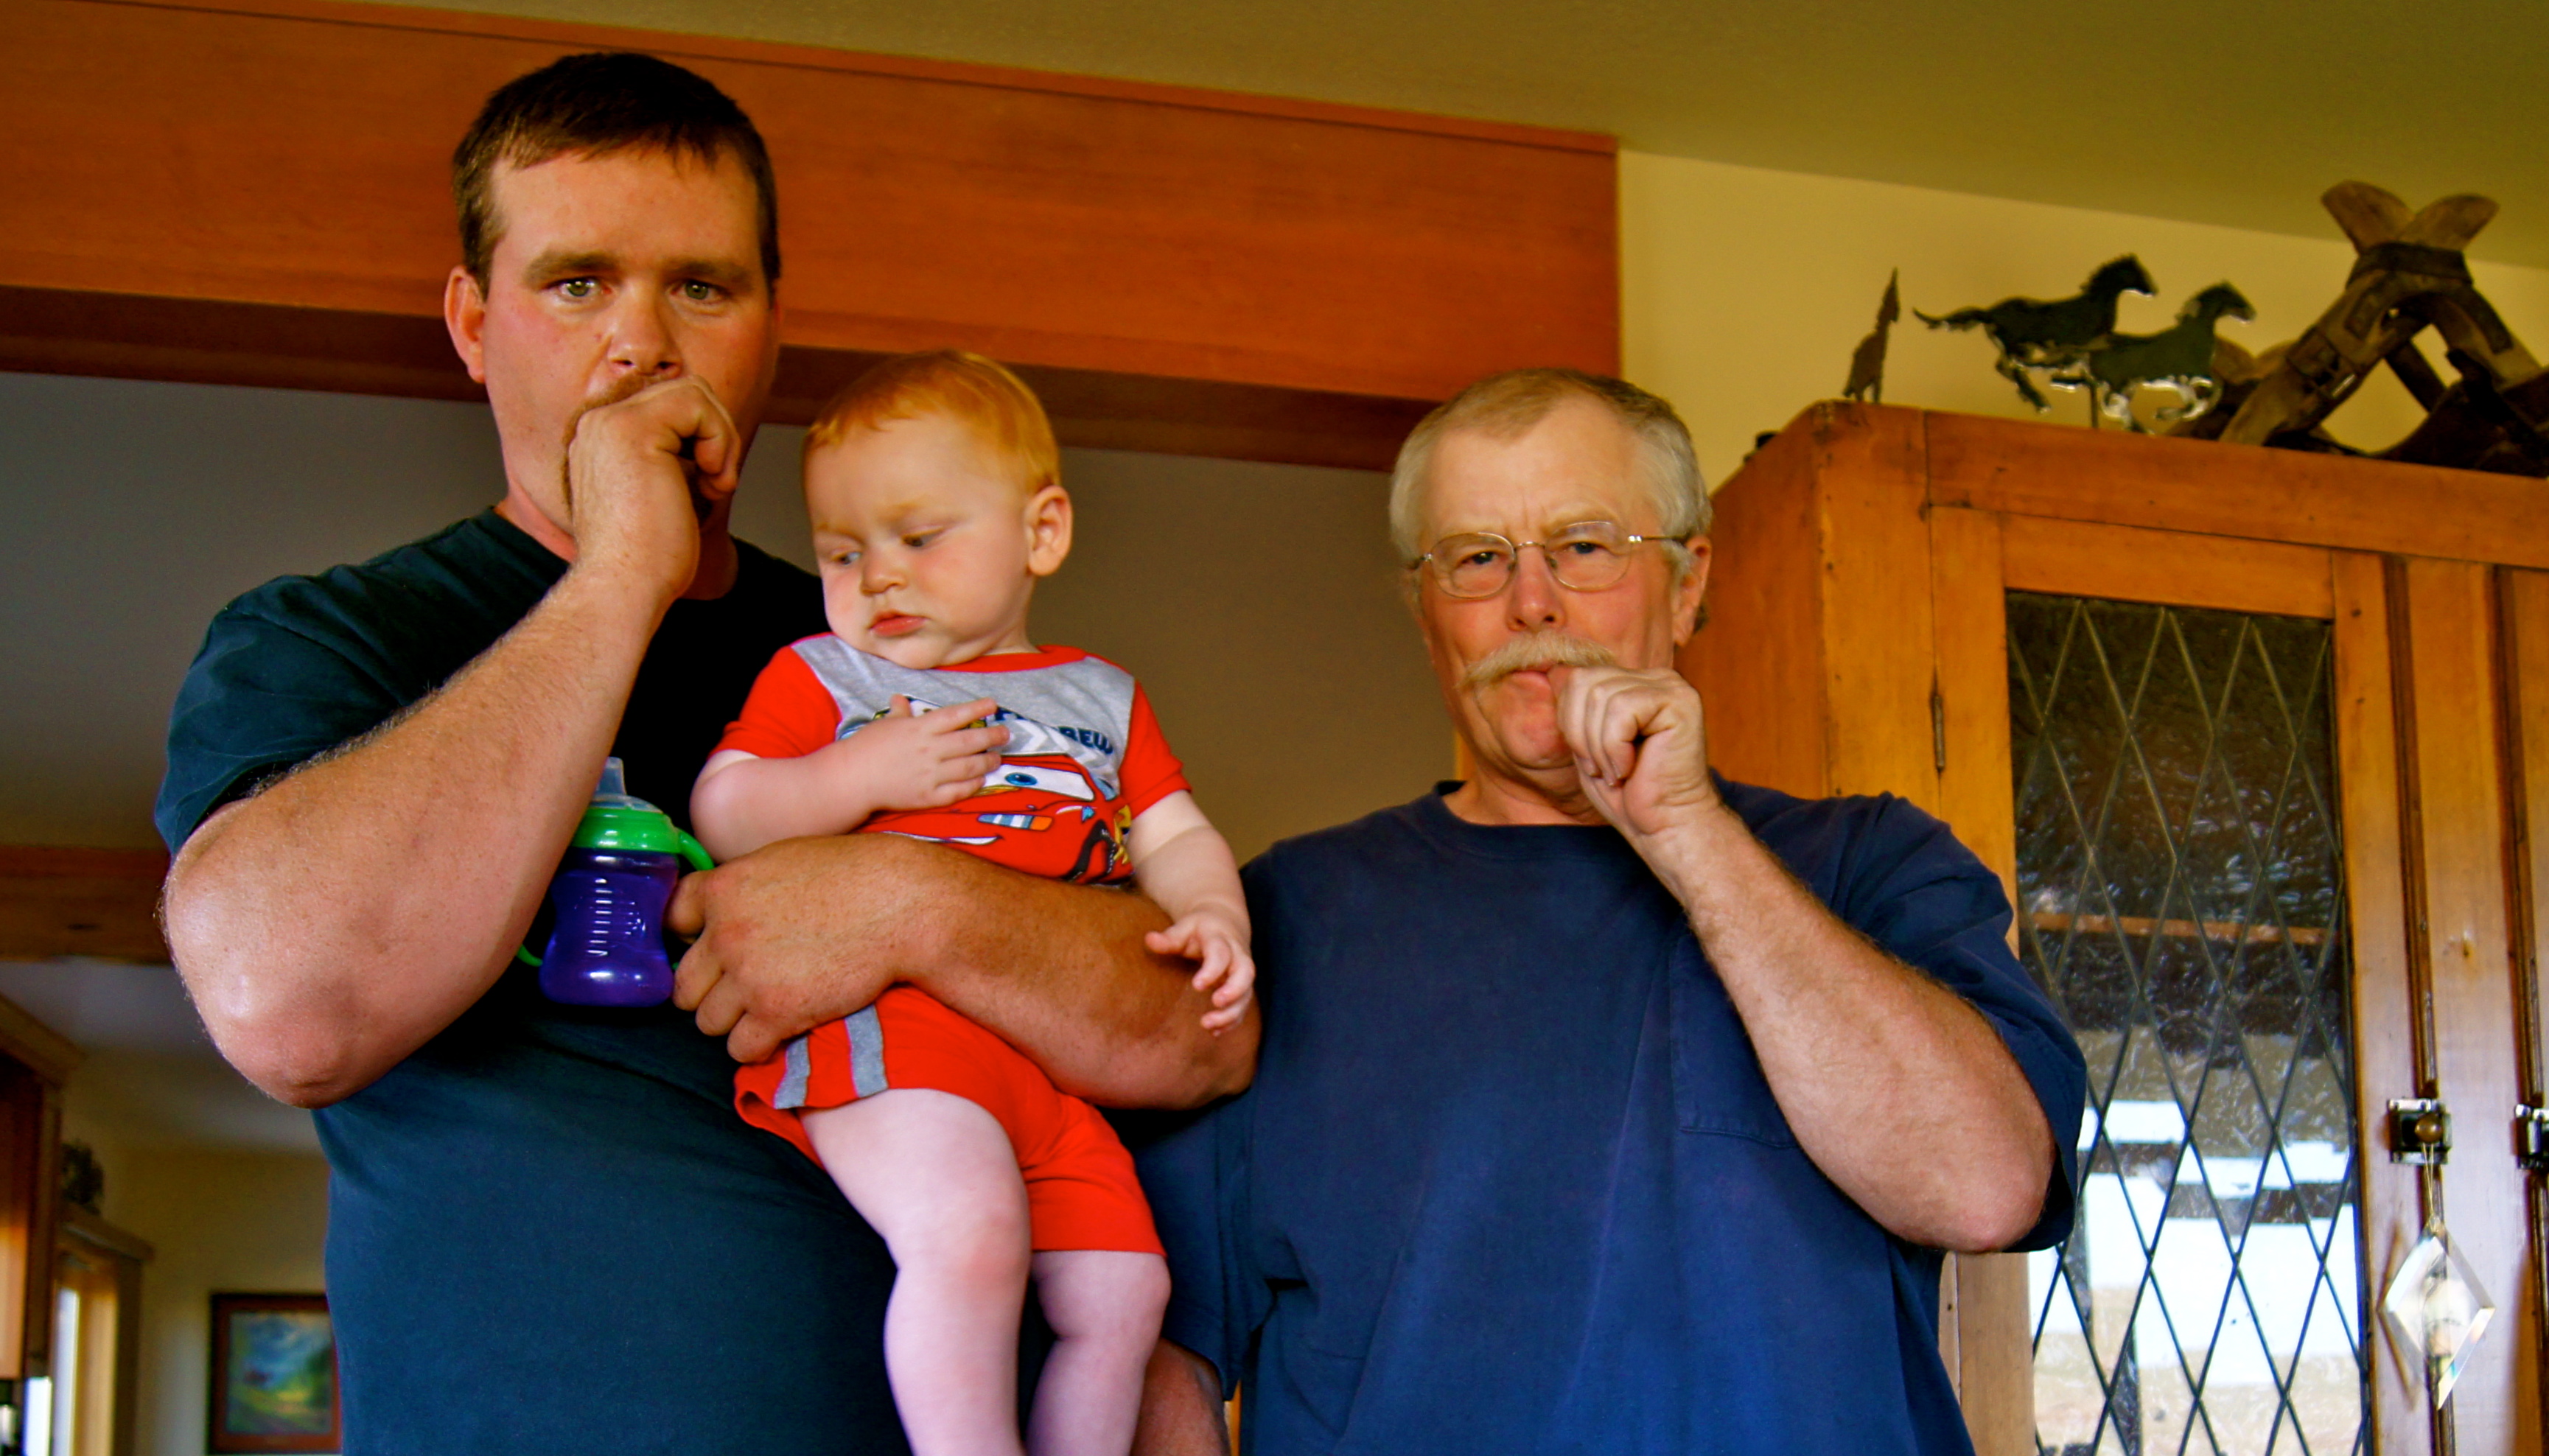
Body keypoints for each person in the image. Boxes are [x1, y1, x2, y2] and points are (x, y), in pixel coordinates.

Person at [155, 53, 1252, 1455]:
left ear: (771, 329)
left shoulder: (898, 643)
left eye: (702, 288)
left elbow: (1200, 1033)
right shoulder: (330, 639)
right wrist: (624, 571)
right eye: (576, 283)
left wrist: (909, 905)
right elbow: (292, 1009)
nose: (643, 344)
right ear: (474, 324)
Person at [1128, 368, 2088, 1455]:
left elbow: (1983, 1190)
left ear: (1687, 582)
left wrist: (1689, 834)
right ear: (1425, 613)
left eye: (1585, 546)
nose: (1532, 603)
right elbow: (1164, 1351)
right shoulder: (1272, 919)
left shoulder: (1872, 863)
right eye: (1477, 558)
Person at [693, 350, 1253, 1456]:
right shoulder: (827, 676)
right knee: (969, 1232)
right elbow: (726, 811)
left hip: (1047, 1060)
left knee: (1126, 1290)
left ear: (1041, 532)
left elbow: (1177, 833)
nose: (879, 578)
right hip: (894, 1034)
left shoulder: (1102, 698)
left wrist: (1214, 917)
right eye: (843, 552)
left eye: (918, 537)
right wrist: (853, 778)